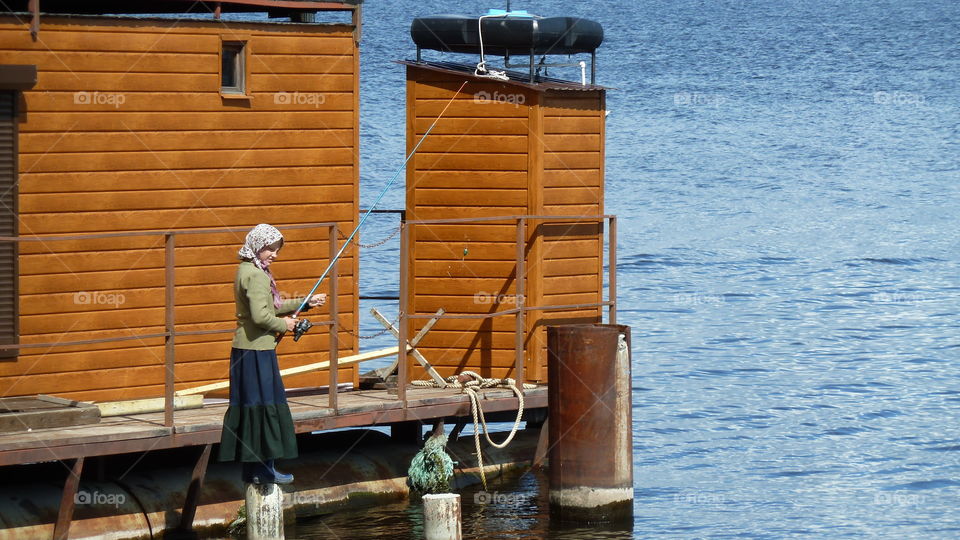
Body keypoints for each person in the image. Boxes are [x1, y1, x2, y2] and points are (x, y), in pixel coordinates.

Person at [218, 223, 326, 484]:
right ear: (257, 245)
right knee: (265, 406)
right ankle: (264, 471)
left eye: (277, 250)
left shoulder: (247, 269)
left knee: (252, 408)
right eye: (270, 249)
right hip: (257, 352)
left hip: (246, 349)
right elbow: (261, 317)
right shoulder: (257, 275)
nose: (274, 255)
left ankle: (252, 471)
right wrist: (285, 325)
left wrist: (305, 303)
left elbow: (269, 307)